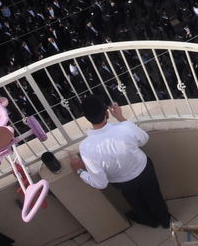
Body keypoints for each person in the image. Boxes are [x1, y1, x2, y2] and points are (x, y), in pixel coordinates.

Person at [70, 93, 172, 228]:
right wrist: (121, 118)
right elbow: (144, 139)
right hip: (143, 170)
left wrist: (79, 171)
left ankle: (150, 221)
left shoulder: (86, 147)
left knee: (136, 203)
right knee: (155, 196)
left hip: (122, 182)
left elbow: (101, 183)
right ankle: (165, 221)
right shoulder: (124, 127)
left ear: (85, 117)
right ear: (107, 112)